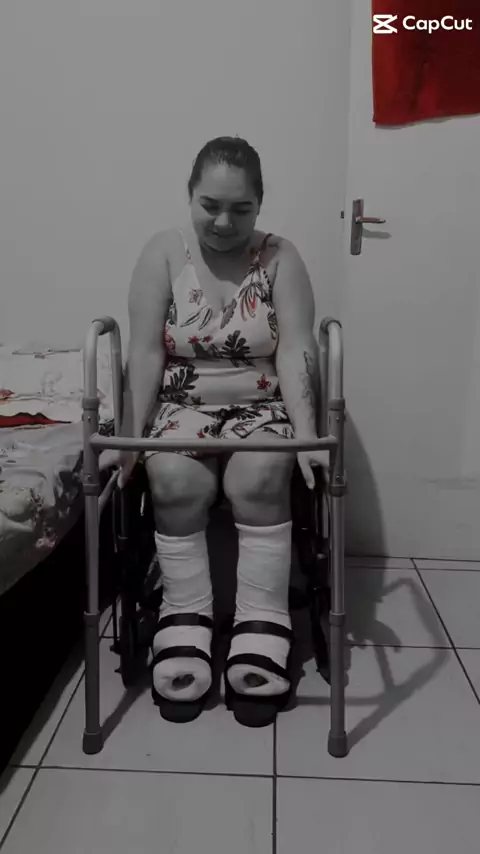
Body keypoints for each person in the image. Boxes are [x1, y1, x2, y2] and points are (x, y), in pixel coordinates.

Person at [113, 136, 328, 727]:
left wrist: (306, 435)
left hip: (261, 407)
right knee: (173, 481)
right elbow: (145, 355)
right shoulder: (163, 253)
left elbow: (297, 350)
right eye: (210, 205)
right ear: (190, 196)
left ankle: (263, 620)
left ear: (260, 204)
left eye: (241, 208)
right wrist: (129, 442)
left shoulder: (281, 257)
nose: (225, 222)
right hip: (180, 407)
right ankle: (186, 615)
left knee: (260, 478)